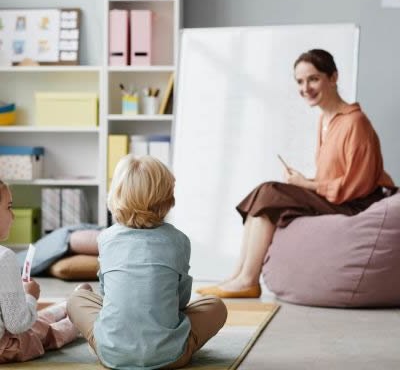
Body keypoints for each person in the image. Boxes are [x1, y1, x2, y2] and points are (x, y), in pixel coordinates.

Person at [197, 49, 397, 299]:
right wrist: (306, 182)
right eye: (300, 82)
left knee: (269, 192)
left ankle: (248, 279)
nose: (306, 88)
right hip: (336, 197)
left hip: (355, 204)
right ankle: (238, 275)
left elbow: (357, 184)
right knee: (265, 195)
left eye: (313, 79)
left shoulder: (354, 122)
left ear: (333, 77)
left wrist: (307, 185)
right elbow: (335, 176)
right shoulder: (326, 120)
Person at [67, 155, 227, 370]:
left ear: (115, 195)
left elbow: (107, 298)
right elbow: (181, 301)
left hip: (111, 355)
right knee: (215, 306)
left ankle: (93, 312)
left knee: (76, 299)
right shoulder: (178, 240)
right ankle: (171, 345)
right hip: (171, 356)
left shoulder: (106, 238)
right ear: (168, 198)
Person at [0, 180, 86, 363]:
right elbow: (17, 324)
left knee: (37, 321)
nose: (13, 216)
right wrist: (30, 295)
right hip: (7, 346)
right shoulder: (4, 257)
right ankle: (79, 313)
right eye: (9, 207)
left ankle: (67, 305)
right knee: (48, 332)